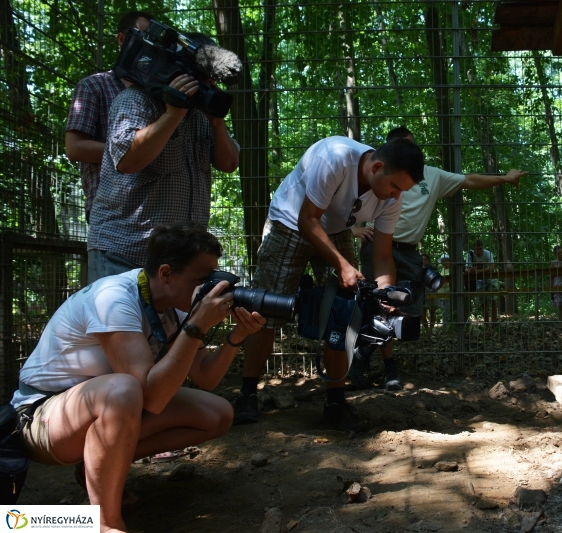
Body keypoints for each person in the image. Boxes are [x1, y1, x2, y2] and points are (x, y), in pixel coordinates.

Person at [10, 222, 266, 533]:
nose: (212, 288)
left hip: (95, 412)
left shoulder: (178, 305)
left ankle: (92, 467)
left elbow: (206, 377)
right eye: (203, 279)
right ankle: (106, 524)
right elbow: (151, 396)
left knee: (217, 414)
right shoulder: (114, 298)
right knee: (124, 390)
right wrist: (195, 328)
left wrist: (237, 337)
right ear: (166, 273)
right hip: (40, 419)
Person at [232, 136, 424, 430]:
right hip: (290, 222)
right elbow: (307, 220)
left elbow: (383, 255)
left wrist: (386, 296)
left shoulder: (391, 197)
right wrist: (342, 266)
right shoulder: (335, 157)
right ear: (377, 167)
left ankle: (335, 402)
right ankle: (247, 394)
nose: (397, 196)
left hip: (335, 230)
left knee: (346, 313)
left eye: (403, 191)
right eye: (396, 187)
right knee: (264, 311)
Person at [352, 126, 528, 389]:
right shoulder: (375, 176)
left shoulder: (430, 175)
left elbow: (468, 180)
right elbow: (343, 203)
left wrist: (503, 178)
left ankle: (369, 358)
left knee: (404, 310)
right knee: (376, 306)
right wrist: (353, 229)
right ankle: (379, 367)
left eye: (410, 147)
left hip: (409, 252)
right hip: (376, 248)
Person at [86, 33, 240, 283]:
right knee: (122, 323)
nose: (209, 85)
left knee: (169, 325)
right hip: (125, 251)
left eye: (212, 81)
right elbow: (129, 161)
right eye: (204, 79)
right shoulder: (135, 100)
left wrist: (217, 122)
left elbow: (230, 163)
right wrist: (173, 114)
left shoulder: (201, 115)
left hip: (176, 261)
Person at [65, 11, 152, 221]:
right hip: (109, 211)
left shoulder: (157, 95)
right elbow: (74, 148)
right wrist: (134, 153)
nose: (149, 47)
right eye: (143, 37)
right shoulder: (94, 86)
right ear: (122, 39)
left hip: (152, 213)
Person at [466, 239, 499, 323]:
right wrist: (470, 270)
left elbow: (492, 267)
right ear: (473, 249)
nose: (479, 251)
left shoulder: (488, 253)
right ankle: (487, 324)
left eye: (480, 248)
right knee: (482, 302)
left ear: (483, 248)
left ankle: (494, 322)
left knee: (493, 300)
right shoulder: (470, 255)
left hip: (490, 279)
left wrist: (479, 271)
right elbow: (466, 268)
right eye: (476, 249)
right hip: (478, 280)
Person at [420, 253, 437, 328]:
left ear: (428, 261)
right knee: (422, 314)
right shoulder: (418, 270)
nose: (423, 261)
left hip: (432, 293)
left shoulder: (433, 270)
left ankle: (431, 330)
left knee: (433, 312)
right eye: (422, 260)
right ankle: (426, 330)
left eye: (425, 259)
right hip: (422, 294)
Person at [438, 254, 452, 324]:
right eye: (443, 261)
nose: (444, 262)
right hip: (441, 296)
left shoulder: (451, 270)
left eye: (446, 260)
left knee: (448, 313)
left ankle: (449, 328)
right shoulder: (442, 270)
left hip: (448, 295)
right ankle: (445, 328)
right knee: (444, 313)